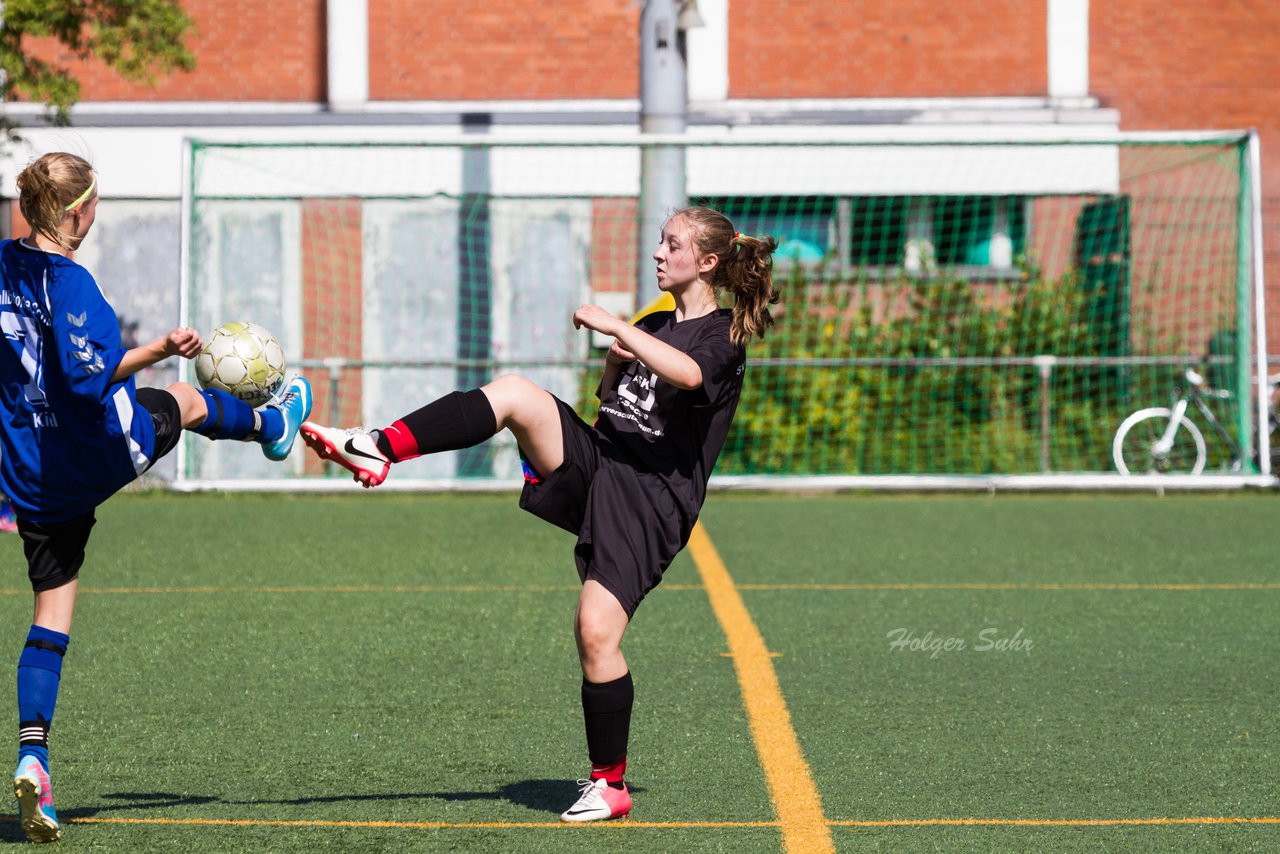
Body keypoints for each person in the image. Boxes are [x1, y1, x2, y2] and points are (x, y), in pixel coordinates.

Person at [300, 206, 778, 822]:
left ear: (708, 263)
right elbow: (612, 402)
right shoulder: (655, 318)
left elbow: (687, 375)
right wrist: (612, 365)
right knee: (518, 393)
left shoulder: (720, 338)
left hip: (650, 500)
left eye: (673, 244)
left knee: (596, 632)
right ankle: (378, 446)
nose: (658, 252)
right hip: (602, 458)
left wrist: (617, 329)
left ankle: (609, 786)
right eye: (659, 240)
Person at [0, 152, 313, 843]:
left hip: (31, 473)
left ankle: (33, 757)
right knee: (187, 397)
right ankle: (273, 425)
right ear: (79, 210)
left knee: (52, 608)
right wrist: (160, 348)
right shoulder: (73, 285)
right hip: (94, 452)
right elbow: (87, 385)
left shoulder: (2, 264)